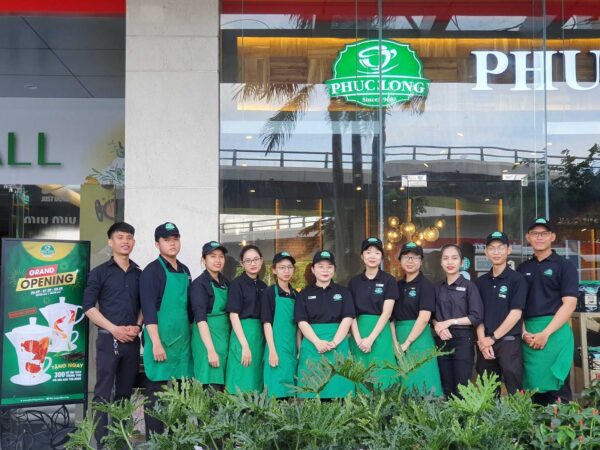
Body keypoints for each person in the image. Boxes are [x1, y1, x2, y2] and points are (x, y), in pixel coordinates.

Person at [83, 222, 143, 448]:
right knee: (102, 394)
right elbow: (89, 307)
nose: (125, 241)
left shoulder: (140, 274)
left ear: (134, 242)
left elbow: (145, 305)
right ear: (111, 242)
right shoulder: (99, 272)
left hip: (132, 341)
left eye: (129, 237)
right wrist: (114, 329)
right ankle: (102, 443)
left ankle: (122, 441)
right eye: (120, 237)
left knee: (125, 394)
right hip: (108, 340)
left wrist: (137, 326)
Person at [139, 222, 193, 438]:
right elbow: (148, 310)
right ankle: (155, 441)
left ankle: (178, 440)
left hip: (182, 342)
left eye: (175, 239)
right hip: (160, 340)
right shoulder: (151, 272)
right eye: (167, 240)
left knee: (181, 393)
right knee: (156, 393)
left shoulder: (185, 271)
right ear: (157, 244)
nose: (172, 243)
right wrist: (156, 343)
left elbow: (188, 308)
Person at [517, 218, 578, 405]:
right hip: (528, 336)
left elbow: (569, 304)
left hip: (555, 335)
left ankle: (560, 424)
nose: (539, 237)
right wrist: (523, 332)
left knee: (558, 393)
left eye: (544, 233)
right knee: (532, 393)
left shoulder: (565, 266)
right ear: (528, 237)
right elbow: (517, 306)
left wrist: (546, 333)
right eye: (535, 233)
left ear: (552, 237)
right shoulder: (522, 268)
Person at [294, 250, 356, 398]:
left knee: (340, 394)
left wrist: (334, 342)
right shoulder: (304, 294)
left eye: (329, 266)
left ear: (334, 269)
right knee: (312, 394)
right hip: (312, 345)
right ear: (313, 269)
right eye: (320, 266)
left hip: (338, 345)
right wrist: (317, 342)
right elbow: (302, 321)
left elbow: (348, 318)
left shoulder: (344, 292)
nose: (325, 270)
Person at [475, 231, 527, 395]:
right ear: (485, 252)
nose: (496, 252)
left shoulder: (517, 279)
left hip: (508, 342)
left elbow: (515, 314)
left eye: (500, 247)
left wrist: (492, 338)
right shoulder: (480, 282)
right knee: (488, 392)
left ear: (508, 250)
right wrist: (482, 341)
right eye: (491, 248)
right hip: (485, 344)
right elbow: (477, 315)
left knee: (514, 389)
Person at [391, 242, 443, 396]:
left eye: (414, 257)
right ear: (400, 260)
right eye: (406, 257)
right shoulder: (396, 285)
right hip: (398, 337)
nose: (410, 261)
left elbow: (424, 317)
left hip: (419, 338)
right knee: (401, 387)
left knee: (423, 383)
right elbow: (390, 317)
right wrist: (395, 342)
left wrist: (407, 343)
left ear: (421, 261)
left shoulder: (426, 285)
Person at [433, 244, 484, 397]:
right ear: (441, 262)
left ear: (461, 262)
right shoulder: (437, 287)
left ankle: (462, 414)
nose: (450, 262)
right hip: (442, 339)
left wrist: (450, 322)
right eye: (446, 258)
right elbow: (431, 316)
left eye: (454, 258)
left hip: (463, 340)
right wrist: (438, 326)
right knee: (446, 386)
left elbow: (476, 317)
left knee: (462, 387)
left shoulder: (470, 287)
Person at [348, 237, 398, 390]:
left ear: (382, 256)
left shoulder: (389, 280)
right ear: (362, 256)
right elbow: (350, 314)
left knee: (383, 373)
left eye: (377, 253)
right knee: (360, 375)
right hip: (359, 333)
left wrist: (370, 339)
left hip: (381, 333)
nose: (372, 256)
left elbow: (387, 313)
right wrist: (358, 340)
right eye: (368, 252)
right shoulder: (354, 282)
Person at [225, 244, 267, 393]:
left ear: (261, 261)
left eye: (256, 259)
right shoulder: (237, 284)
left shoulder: (263, 286)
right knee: (240, 379)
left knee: (256, 380)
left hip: (259, 336)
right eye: (248, 260)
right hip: (242, 334)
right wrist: (244, 345)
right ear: (242, 264)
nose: (253, 263)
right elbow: (233, 315)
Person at [190, 241, 230, 390]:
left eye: (221, 256)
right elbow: (200, 319)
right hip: (207, 341)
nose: (218, 260)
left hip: (223, 339)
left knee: (223, 389)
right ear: (203, 260)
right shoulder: (199, 285)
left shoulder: (226, 282)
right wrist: (210, 350)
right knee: (210, 387)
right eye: (213, 256)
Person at [261, 251, 300, 398]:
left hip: (291, 349)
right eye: (282, 267)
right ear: (274, 270)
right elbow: (267, 323)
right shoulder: (269, 293)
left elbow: (299, 326)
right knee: (275, 392)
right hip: (276, 348)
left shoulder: (296, 295)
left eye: (289, 267)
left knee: (290, 391)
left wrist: (299, 349)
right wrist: (272, 350)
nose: (286, 271)